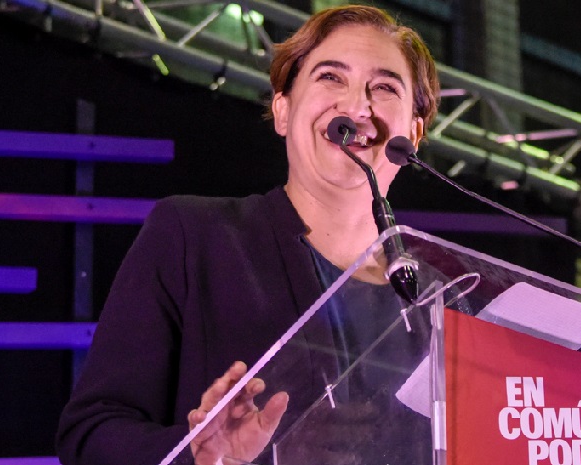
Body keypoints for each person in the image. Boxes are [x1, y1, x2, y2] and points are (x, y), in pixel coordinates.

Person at [56, 5, 440, 465]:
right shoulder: (192, 238)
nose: (357, 107)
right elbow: (91, 435)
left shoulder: (446, 299)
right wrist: (200, 455)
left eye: (384, 88)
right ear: (283, 111)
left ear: (413, 133)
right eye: (330, 78)